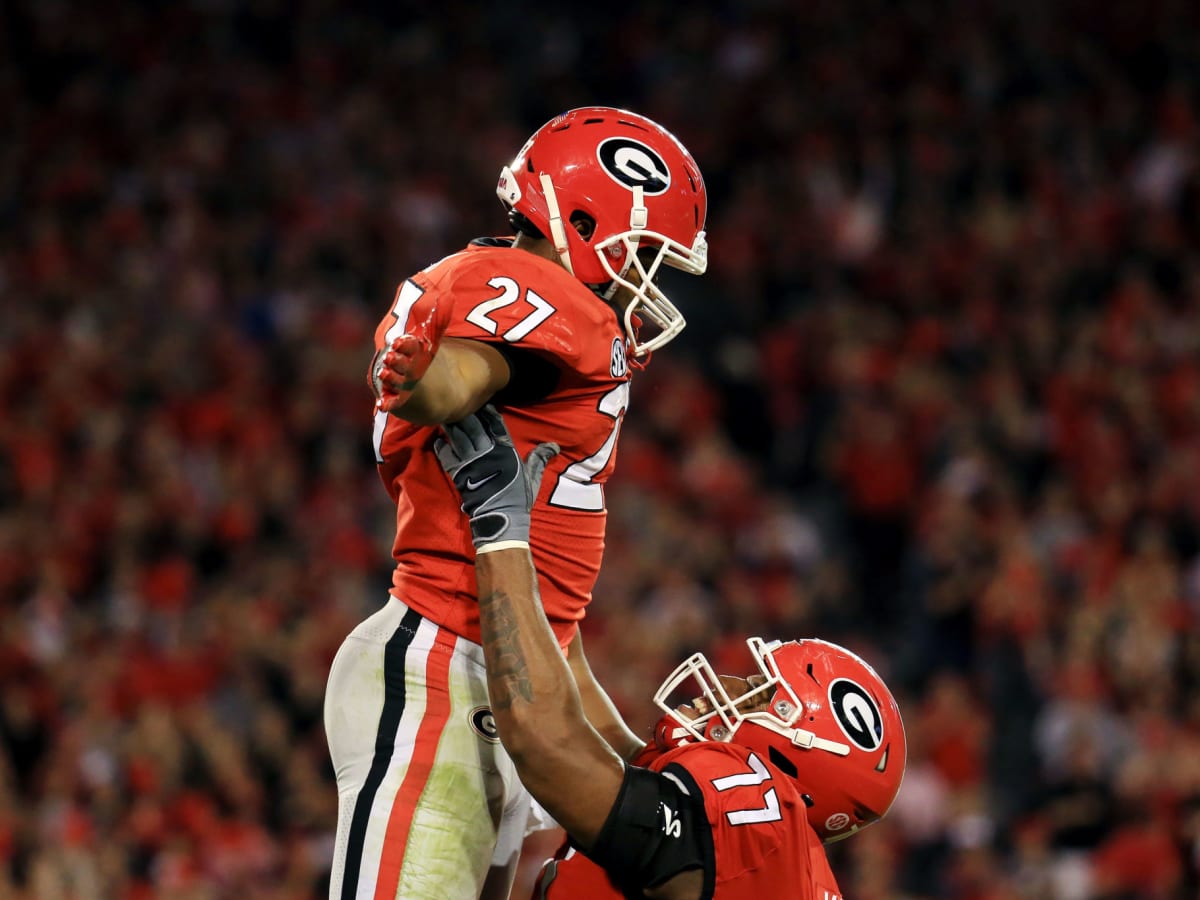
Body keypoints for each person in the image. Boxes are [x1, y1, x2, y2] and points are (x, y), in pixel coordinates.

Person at [324, 107, 709, 899]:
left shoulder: (559, 327)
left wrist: (633, 757)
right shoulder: (532, 294)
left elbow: (552, 630)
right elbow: (466, 373)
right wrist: (424, 381)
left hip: (489, 679)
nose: (650, 276)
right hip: (440, 667)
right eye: (645, 251)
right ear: (584, 220)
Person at [435, 406, 908, 899]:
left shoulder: (761, 818)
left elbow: (547, 743)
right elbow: (596, 735)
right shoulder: (772, 856)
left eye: (757, 694)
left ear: (799, 755)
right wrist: (537, 548)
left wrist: (500, 533)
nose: (727, 686)